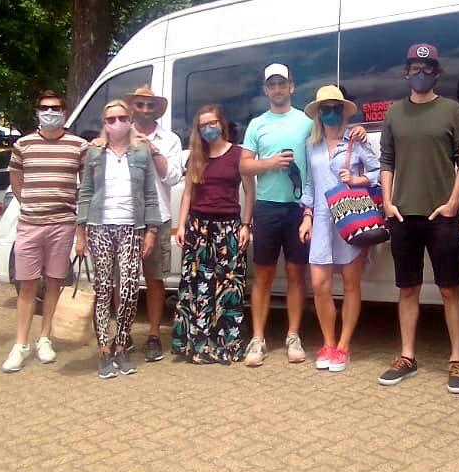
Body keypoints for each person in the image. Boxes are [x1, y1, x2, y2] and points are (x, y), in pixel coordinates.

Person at [239, 65, 367, 367]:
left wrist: (358, 130)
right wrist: (269, 163)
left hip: (300, 209)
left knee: (298, 276)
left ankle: (293, 335)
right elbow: (244, 166)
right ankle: (257, 339)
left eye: (282, 83)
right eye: (271, 84)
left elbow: (335, 132)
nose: (277, 88)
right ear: (265, 89)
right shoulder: (257, 124)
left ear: (292, 86)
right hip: (268, 206)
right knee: (264, 275)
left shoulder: (307, 122)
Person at [376, 44, 459, 392]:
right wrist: (388, 202)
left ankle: (458, 359)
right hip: (403, 215)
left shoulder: (452, 110)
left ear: (437, 72)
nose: (421, 72)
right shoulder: (394, 113)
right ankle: (406, 356)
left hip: (441, 215)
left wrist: (452, 202)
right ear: (406, 72)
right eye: (415, 67)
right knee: (407, 288)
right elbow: (386, 160)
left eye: (428, 67)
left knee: (450, 288)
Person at [2, 91, 88, 373]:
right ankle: (20, 344)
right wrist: (25, 199)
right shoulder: (23, 144)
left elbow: (86, 185)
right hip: (29, 224)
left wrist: (79, 227)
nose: (50, 112)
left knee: (54, 283)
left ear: (65, 112)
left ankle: (45, 338)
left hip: (62, 224)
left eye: (56, 108)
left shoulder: (79, 145)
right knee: (26, 285)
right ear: (37, 111)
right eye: (45, 108)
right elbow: (15, 176)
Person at [75, 100, 160, 378]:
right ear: (105, 123)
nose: (116, 124)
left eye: (122, 118)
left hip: (131, 228)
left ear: (130, 119)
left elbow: (150, 194)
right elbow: (85, 192)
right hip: (100, 226)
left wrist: (151, 230)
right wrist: (80, 232)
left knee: (128, 290)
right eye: (110, 119)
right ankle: (103, 351)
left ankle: (121, 345)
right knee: (103, 290)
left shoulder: (141, 151)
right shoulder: (94, 152)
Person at [298, 86, 379, 373]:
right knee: (319, 285)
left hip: (350, 217)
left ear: (343, 111)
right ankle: (328, 343)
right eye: (325, 108)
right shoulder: (311, 146)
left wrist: (357, 181)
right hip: (320, 218)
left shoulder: (357, 141)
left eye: (335, 108)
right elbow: (308, 184)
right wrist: (306, 215)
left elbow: (379, 172)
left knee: (350, 284)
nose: (330, 113)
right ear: (318, 114)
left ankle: (344, 345)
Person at [172, 105, 255, 364]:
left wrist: (245, 225)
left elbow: (250, 192)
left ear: (222, 124)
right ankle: (198, 346)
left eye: (213, 123)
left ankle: (227, 345)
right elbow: (187, 193)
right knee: (198, 289)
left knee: (229, 288)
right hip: (199, 228)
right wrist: (182, 225)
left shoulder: (238, 154)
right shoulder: (196, 156)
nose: (209, 129)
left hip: (228, 228)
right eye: (203, 125)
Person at [123, 85, 183, 362]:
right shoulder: (119, 132)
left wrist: (154, 149)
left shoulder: (169, 139)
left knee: (155, 279)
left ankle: (154, 335)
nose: (145, 110)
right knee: (121, 279)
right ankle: (122, 334)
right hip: (122, 216)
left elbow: (171, 177)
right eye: (140, 105)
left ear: (157, 109)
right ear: (132, 107)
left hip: (157, 217)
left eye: (150, 105)